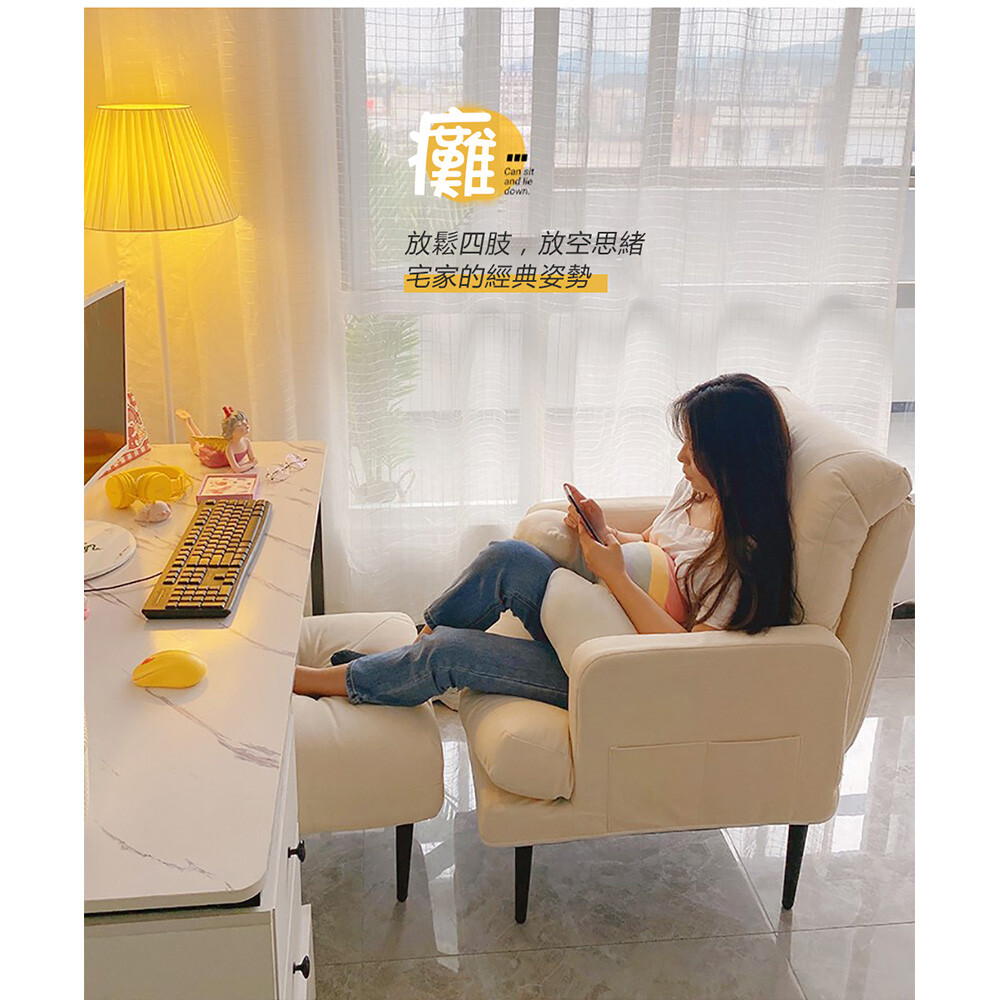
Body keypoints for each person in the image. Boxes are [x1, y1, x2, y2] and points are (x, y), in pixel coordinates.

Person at [293, 373, 802, 710]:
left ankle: (317, 682)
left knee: (448, 652)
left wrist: (614, 576)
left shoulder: (741, 560)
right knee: (507, 556)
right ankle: (406, 656)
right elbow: (652, 548)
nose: (681, 458)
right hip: (594, 617)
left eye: (693, 448)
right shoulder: (695, 493)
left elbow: (687, 654)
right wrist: (606, 533)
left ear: (733, 459)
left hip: (616, 669)